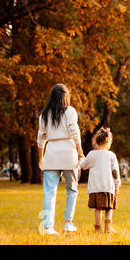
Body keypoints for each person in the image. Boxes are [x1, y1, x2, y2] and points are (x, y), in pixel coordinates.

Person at [37, 84, 85, 235]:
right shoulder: (70, 111)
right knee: (72, 189)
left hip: (51, 153)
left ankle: (48, 227)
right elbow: (74, 131)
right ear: (66, 97)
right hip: (69, 153)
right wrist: (80, 150)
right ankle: (68, 223)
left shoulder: (44, 115)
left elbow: (41, 139)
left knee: (49, 193)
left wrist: (40, 159)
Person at [80, 127, 121, 233]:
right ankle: (108, 228)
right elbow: (115, 172)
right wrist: (117, 185)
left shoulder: (92, 154)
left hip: (96, 187)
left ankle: (97, 228)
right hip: (109, 186)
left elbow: (83, 166)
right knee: (109, 208)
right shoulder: (111, 155)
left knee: (98, 208)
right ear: (108, 141)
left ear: (96, 141)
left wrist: (81, 158)